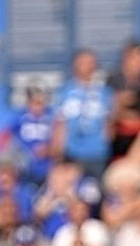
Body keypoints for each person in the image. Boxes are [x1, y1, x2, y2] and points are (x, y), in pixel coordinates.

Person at [53, 49, 113, 180]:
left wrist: (105, 142)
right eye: (83, 62)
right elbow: (60, 123)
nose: (87, 67)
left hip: (97, 153)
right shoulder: (65, 92)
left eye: (91, 63)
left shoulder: (104, 92)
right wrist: (58, 151)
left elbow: (109, 122)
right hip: (72, 153)